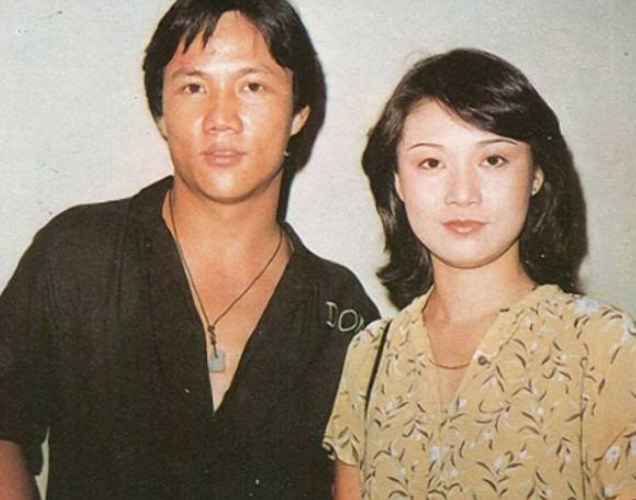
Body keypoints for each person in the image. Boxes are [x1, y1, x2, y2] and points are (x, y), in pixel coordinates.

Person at [0, 1, 379, 499]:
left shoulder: (342, 313)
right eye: (194, 87)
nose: (221, 118)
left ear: (298, 114)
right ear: (161, 111)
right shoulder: (77, 253)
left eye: (253, 86)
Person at [324, 48, 636, 500]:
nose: (463, 194)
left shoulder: (602, 346)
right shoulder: (369, 355)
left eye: (493, 160)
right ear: (399, 182)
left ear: (537, 173)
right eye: (431, 163)